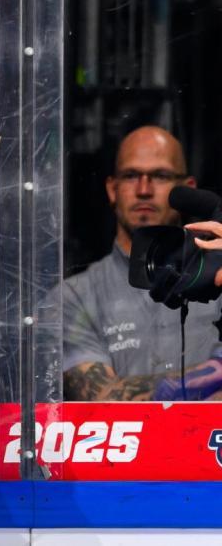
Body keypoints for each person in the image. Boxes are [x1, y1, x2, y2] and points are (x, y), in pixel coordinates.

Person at [62, 126, 222, 401]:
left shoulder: (217, 274)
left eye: (160, 176)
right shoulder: (75, 297)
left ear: (188, 190)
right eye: (131, 175)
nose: (144, 190)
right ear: (112, 189)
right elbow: (102, 399)